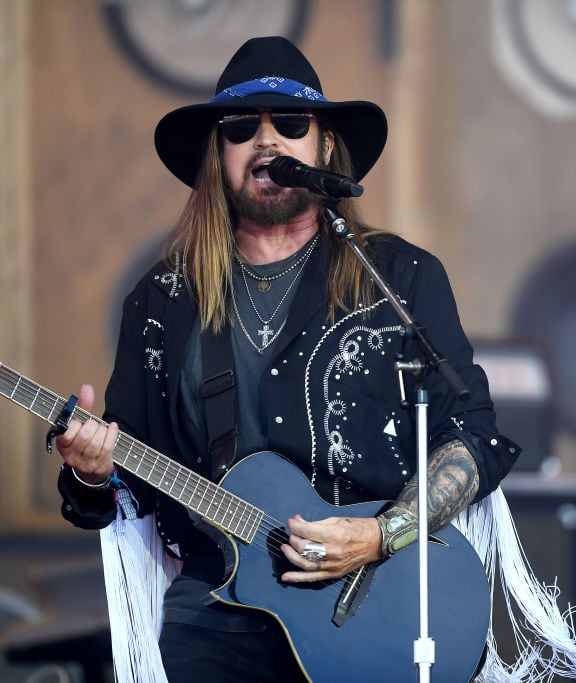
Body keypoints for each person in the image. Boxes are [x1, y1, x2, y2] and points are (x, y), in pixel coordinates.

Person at [51, 36, 523, 681]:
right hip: (218, 605)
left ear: (325, 146)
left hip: (375, 598)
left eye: (291, 125)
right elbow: (125, 477)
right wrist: (91, 472)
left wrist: (381, 535)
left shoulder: (398, 276)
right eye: (242, 128)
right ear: (218, 156)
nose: (267, 143)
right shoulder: (163, 300)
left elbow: (474, 436)